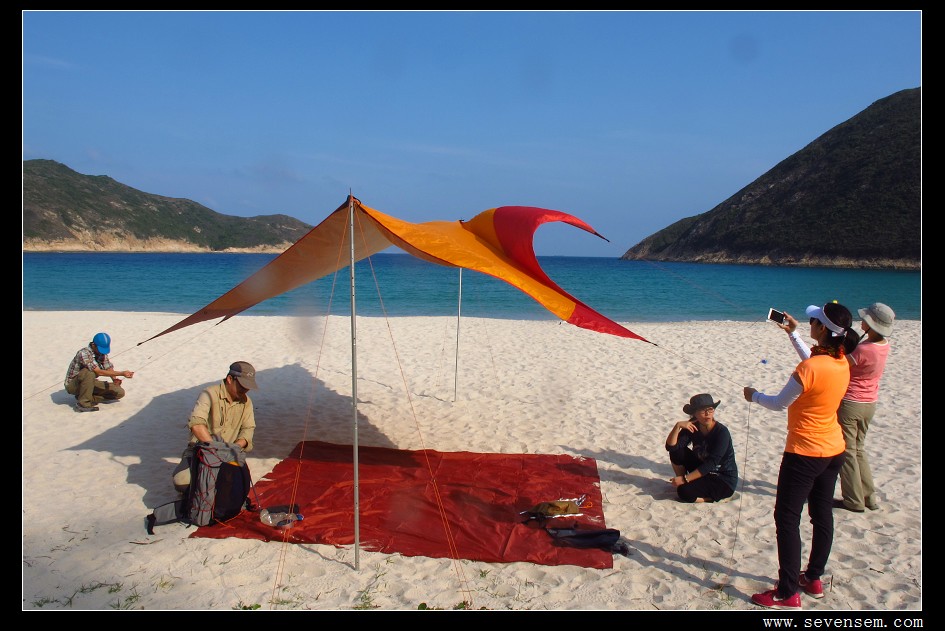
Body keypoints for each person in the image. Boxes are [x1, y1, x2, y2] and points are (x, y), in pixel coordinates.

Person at [744, 301, 859, 610]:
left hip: (805, 453)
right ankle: (814, 578)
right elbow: (814, 364)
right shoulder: (841, 361)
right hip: (833, 450)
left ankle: (787, 592)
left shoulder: (811, 368)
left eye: (814, 321)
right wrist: (793, 334)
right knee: (821, 514)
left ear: (822, 329)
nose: (810, 324)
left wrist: (754, 396)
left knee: (787, 518)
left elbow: (779, 403)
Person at [780, 302, 895, 513]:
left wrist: (795, 335)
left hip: (851, 404)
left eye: (865, 320)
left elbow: (822, 364)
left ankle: (854, 500)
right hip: (870, 403)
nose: (862, 322)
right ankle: (868, 496)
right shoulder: (882, 345)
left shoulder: (861, 350)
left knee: (849, 452)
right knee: (859, 449)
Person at [172, 361, 258, 494]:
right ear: (230, 379)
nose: (245, 390)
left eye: (247, 387)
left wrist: (234, 448)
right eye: (242, 386)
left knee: (237, 484)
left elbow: (248, 430)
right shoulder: (209, 394)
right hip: (201, 451)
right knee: (181, 481)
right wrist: (215, 449)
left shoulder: (247, 402)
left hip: (229, 454)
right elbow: (197, 424)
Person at [665, 393, 738, 503]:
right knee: (677, 452)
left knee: (684, 492)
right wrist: (677, 426)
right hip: (702, 470)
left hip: (722, 479)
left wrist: (685, 479)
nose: (707, 414)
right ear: (694, 413)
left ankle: (710, 498)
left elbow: (712, 463)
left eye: (710, 409)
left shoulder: (722, 432)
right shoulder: (692, 426)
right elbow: (671, 447)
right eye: (703, 410)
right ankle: (682, 482)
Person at [64, 332, 135, 412]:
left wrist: (114, 379)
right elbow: (98, 372)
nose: (101, 352)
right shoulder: (83, 353)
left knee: (119, 392)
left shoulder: (102, 354)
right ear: (93, 345)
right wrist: (121, 373)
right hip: (73, 385)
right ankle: (83, 403)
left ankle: (85, 397)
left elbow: (108, 367)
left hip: (89, 383)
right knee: (90, 372)